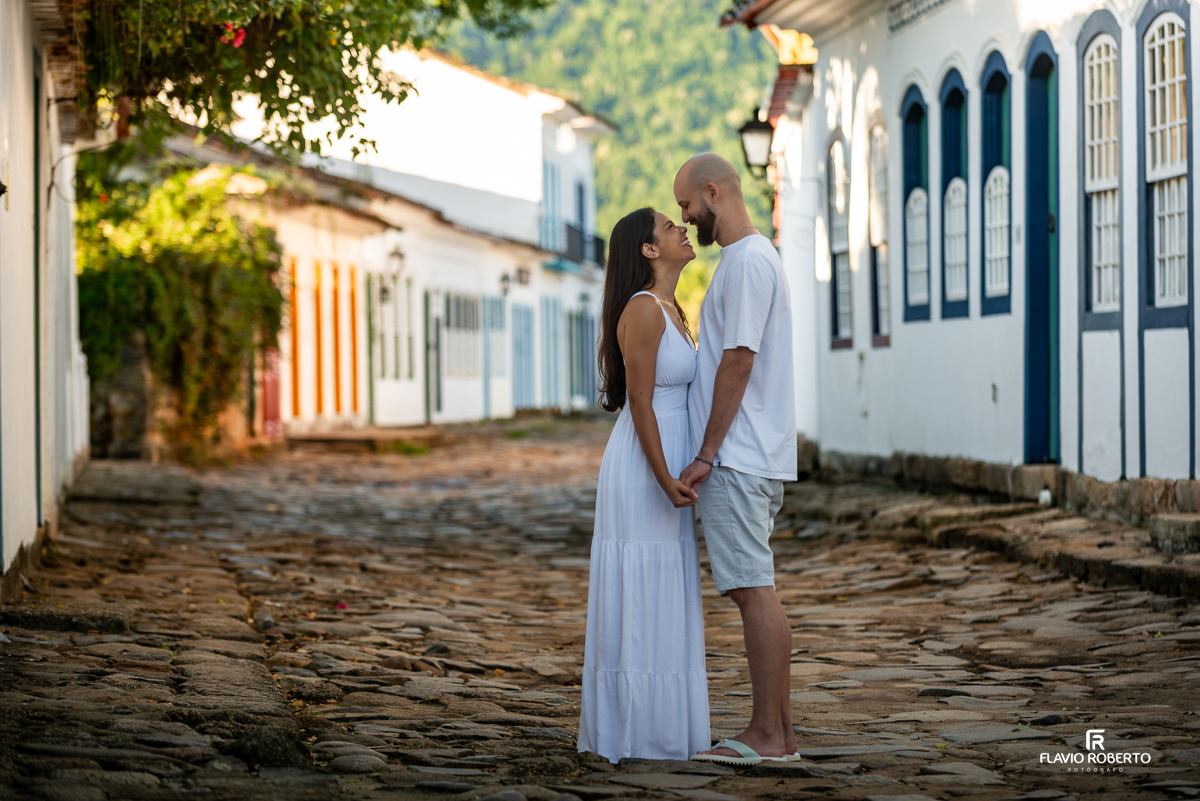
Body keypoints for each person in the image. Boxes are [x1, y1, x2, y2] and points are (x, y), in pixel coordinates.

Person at [674, 154, 799, 767]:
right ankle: (779, 730)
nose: (684, 216)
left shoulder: (748, 262)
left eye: (686, 205)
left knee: (754, 590)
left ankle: (767, 737)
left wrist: (706, 453)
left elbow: (739, 361)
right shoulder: (745, 260)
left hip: (739, 456)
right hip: (749, 454)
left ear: (713, 192)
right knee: (755, 586)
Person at [578, 207, 711, 762]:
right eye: (668, 226)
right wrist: (661, 475)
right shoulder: (643, 311)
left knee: (667, 590)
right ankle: (630, 730)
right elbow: (639, 402)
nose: (682, 228)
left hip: (669, 457)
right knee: (640, 587)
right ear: (649, 251)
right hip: (643, 466)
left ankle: (663, 731)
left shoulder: (672, 309)